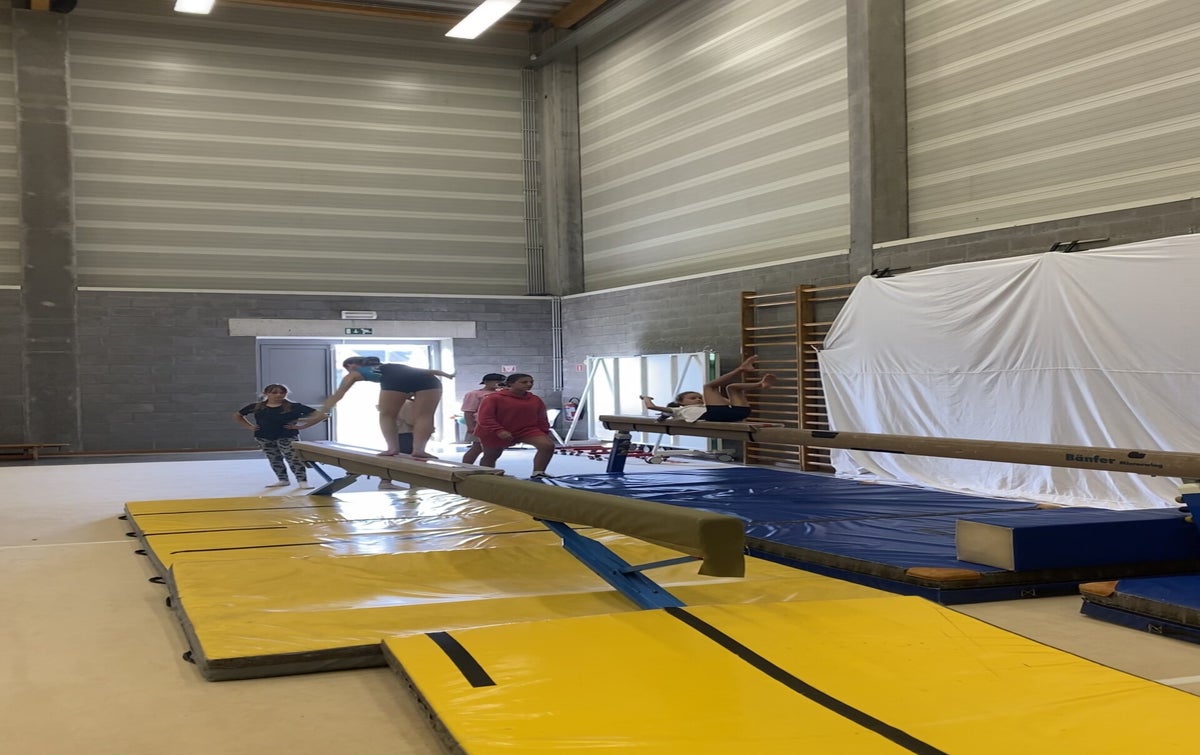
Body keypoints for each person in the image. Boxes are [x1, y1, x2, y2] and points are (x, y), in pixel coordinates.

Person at [321, 356, 454, 459]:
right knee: (425, 415)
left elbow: (339, 393)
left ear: (352, 365)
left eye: (347, 368)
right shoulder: (391, 366)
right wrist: (446, 375)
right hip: (430, 380)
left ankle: (392, 448)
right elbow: (428, 372)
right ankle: (419, 450)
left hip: (396, 379)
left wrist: (324, 410)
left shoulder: (356, 372)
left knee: (387, 414)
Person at [234, 384, 327, 488]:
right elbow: (238, 415)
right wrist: (249, 426)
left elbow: (322, 416)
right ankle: (283, 479)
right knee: (274, 459)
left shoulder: (294, 406)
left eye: (282, 393)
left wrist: (302, 426)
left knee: (294, 458)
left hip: (287, 436)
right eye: (274, 393)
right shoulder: (257, 406)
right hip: (264, 436)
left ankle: (302, 481)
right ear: (266, 393)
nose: (278, 395)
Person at [640, 355, 776, 423]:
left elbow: (731, 403)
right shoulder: (678, 411)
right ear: (681, 402)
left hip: (739, 413)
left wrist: (660, 420)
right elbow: (652, 407)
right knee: (708, 387)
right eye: (693, 398)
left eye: (699, 397)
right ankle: (741, 369)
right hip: (716, 414)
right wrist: (646, 398)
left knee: (733, 388)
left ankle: (760, 385)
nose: (698, 399)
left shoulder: (705, 405)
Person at [474, 373, 556, 479]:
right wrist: (499, 431)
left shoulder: (535, 399)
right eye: (524, 382)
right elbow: (484, 418)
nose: (529, 384)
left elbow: (542, 417)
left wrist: (544, 432)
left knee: (547, 445)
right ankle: (486, 476)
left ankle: (538, 472)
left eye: (531, 382)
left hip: (526, 430)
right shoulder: (493, 398)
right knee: (491, 455)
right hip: (494, 431)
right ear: (510, 384)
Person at [460, 373, 507, 464]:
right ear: (486, 382)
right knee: (477, 448)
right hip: (480, 425)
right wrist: (470, 427)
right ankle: (465, 467)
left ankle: (487, 468)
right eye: (497, 381)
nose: (499, 383)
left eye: (502, 382)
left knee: (495, 450)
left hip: (498, 425)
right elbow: (468, 411)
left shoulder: (502, 394)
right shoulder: (474, 394)